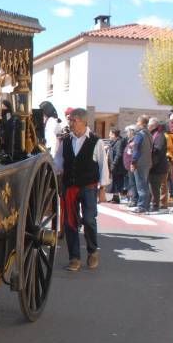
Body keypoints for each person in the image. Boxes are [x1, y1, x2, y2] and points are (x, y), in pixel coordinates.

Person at [54, 108, 110, 272]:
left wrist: (103, 188)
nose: (70, 123)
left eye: (74, 120)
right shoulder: (65, 141)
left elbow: (103, 166)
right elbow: (58, 162)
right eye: (70, 120)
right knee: (70, 223)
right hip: (70, 186)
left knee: (89, 220)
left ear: (84, 122)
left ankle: (92, 251)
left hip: (88, 187)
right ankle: (74, 258)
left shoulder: (95, 141)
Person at [129, 116, 152, 213]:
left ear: (141, 123)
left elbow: (137, 149)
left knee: (141, 185)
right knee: (145, 184)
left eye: (137, 122)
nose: (136, 124)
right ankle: (145, 205)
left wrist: (133, 162)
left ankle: (142, 206)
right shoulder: (149, 134)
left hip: (140, 162)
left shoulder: (139, 134)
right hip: (147, 162)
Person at [148, 118, 169, 211]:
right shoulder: (152, 134)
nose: (148, 126)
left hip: (158, 166)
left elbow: (158, 151)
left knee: (155, 186)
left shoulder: (159, 136)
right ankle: (153, 202)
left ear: (153, 125)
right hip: (153, 165)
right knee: (152, 185)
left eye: (149, 125)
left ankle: (155, 204)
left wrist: (152, 163)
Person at [106, 128, 126, 203]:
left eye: (110, 134)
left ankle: (117, 198)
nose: (109, 135)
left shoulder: (119, 142)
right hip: (113, 165)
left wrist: (114, 164)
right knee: (114, 181)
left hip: (118, 166)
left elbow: (119, 154)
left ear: (114, 135)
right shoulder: (114, 142)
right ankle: (114, 197)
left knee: (117, 181)